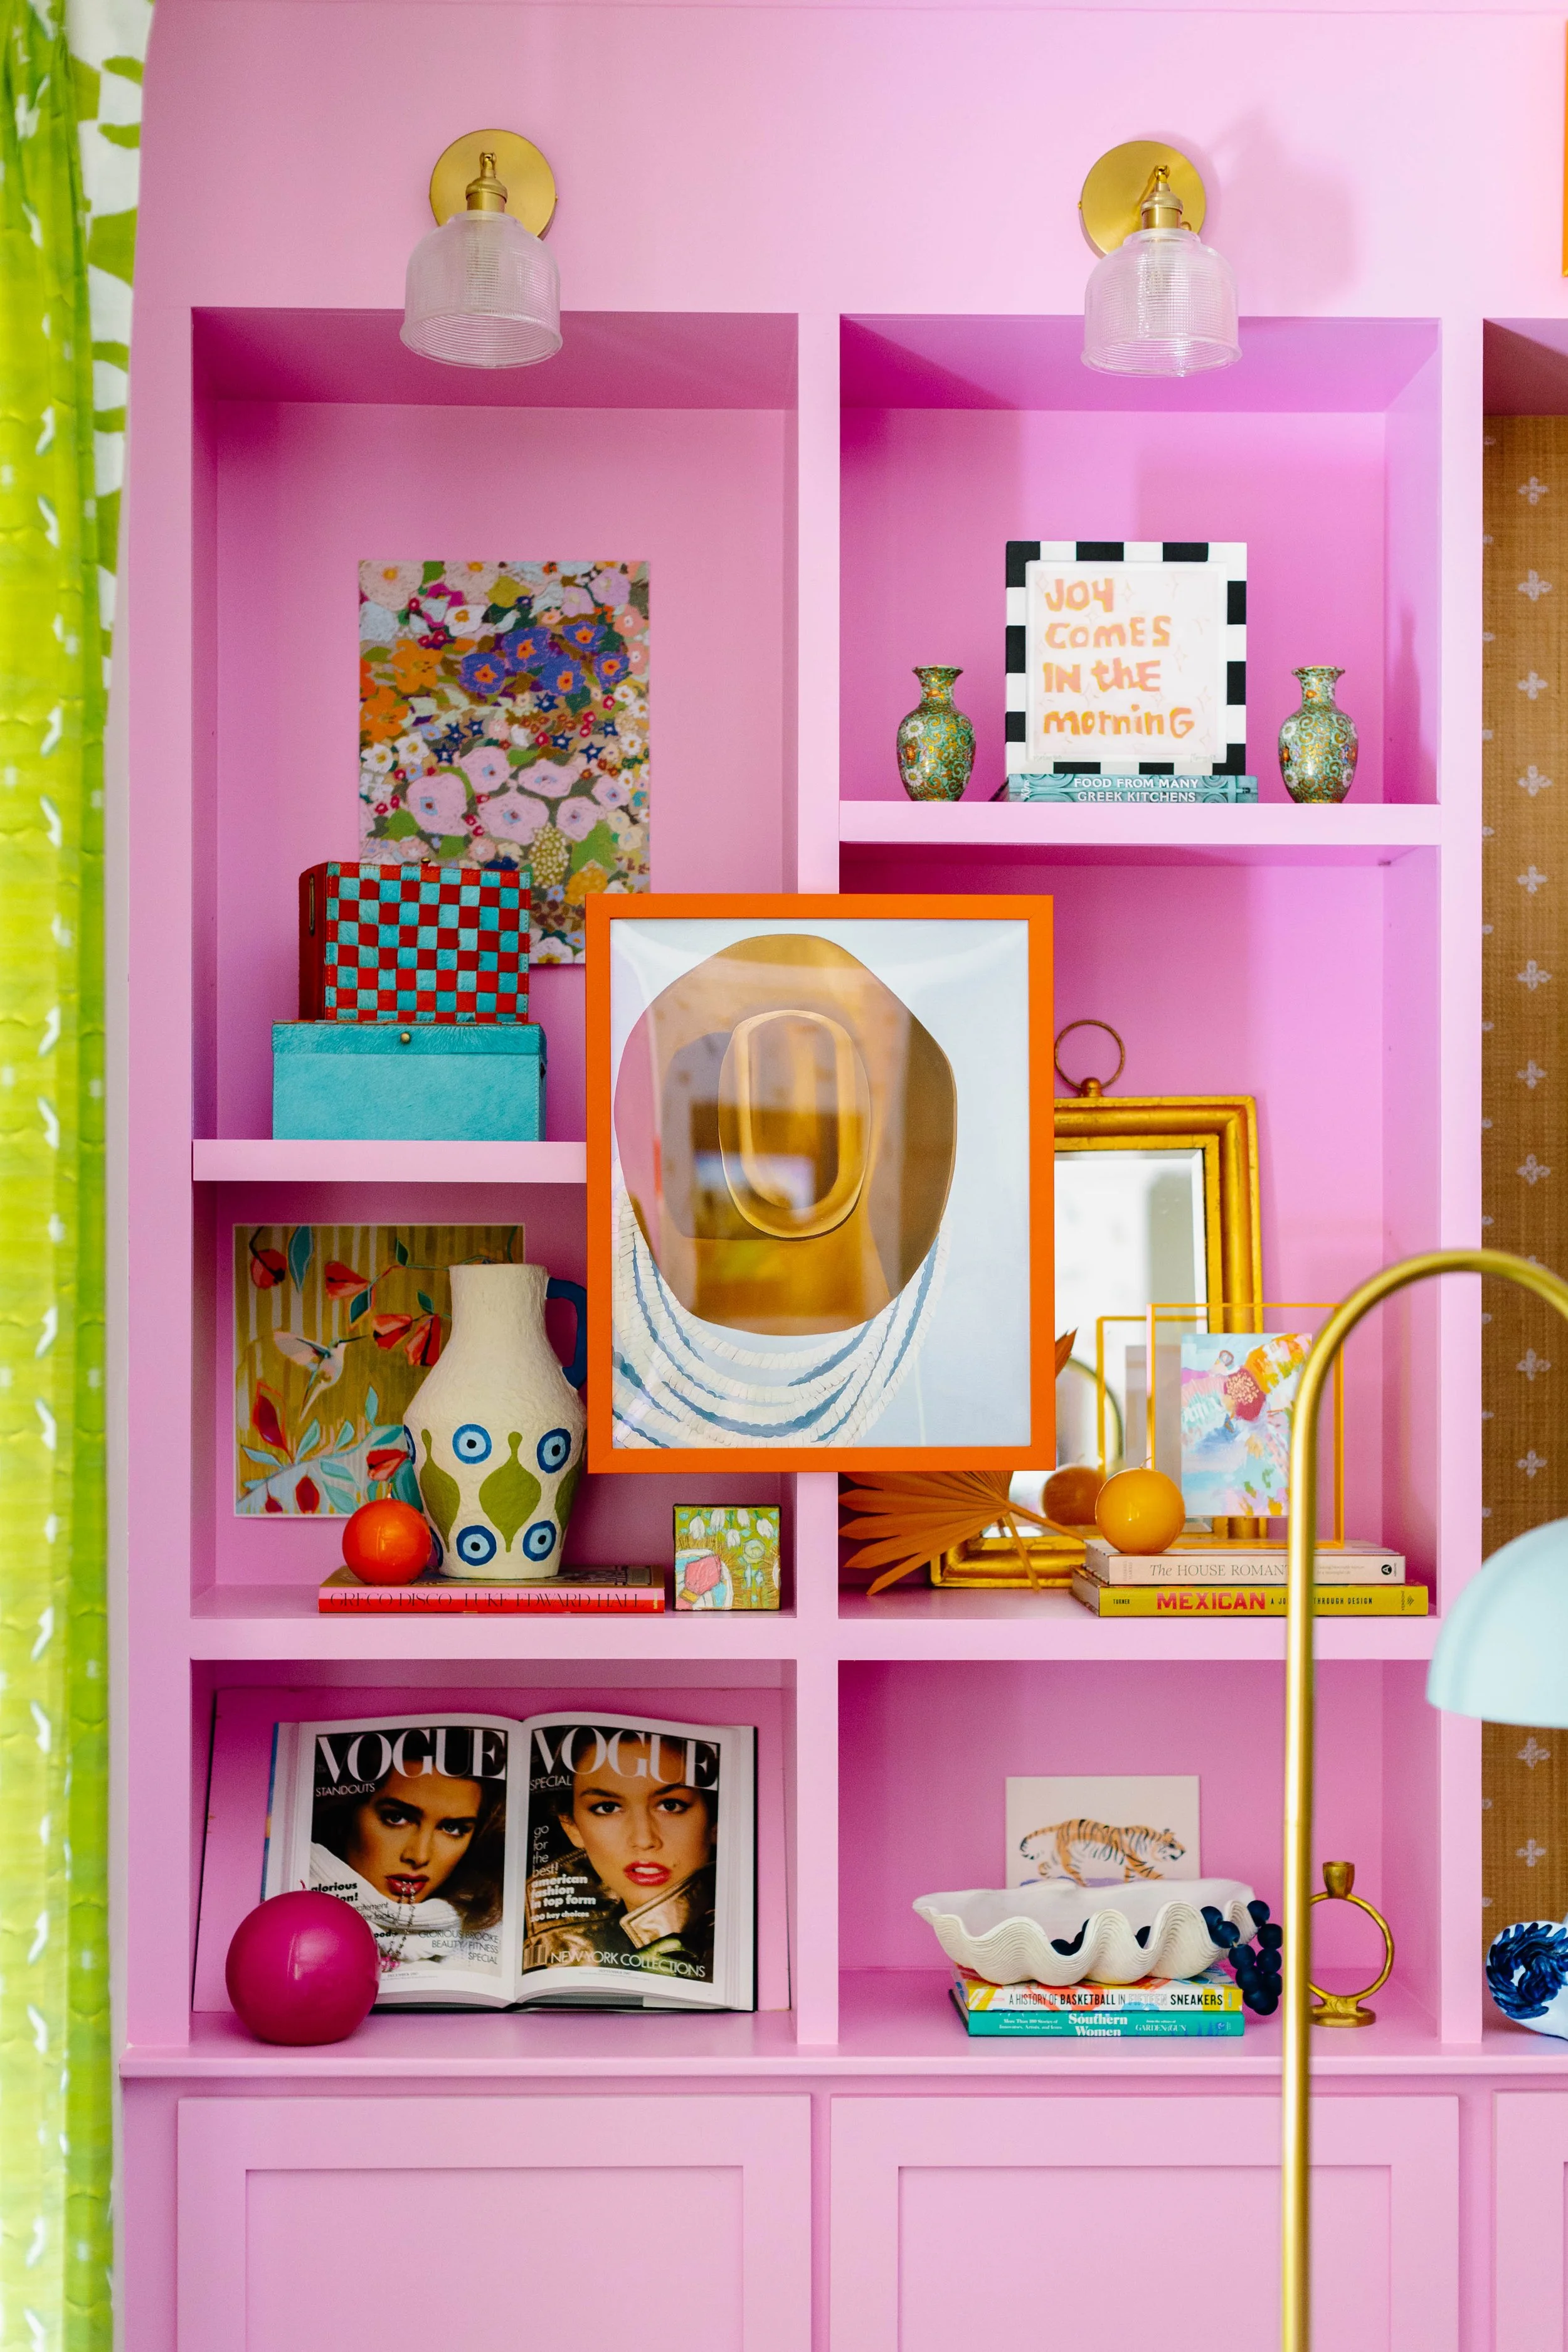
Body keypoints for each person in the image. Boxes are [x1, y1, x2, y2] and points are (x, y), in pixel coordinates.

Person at [524, 1730, 716, 1981]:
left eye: (670, 1805)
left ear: (715, 1822)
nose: (644, 1840)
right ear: (571, 1826)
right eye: (608, 1808)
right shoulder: (547, 1943)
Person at [310, 1754, 506, 1972]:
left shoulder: (491, 1935)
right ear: (346, 1814)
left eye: (452, 1828)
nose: (420, 1856)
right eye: (396, 1818)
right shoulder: (287, 1894)